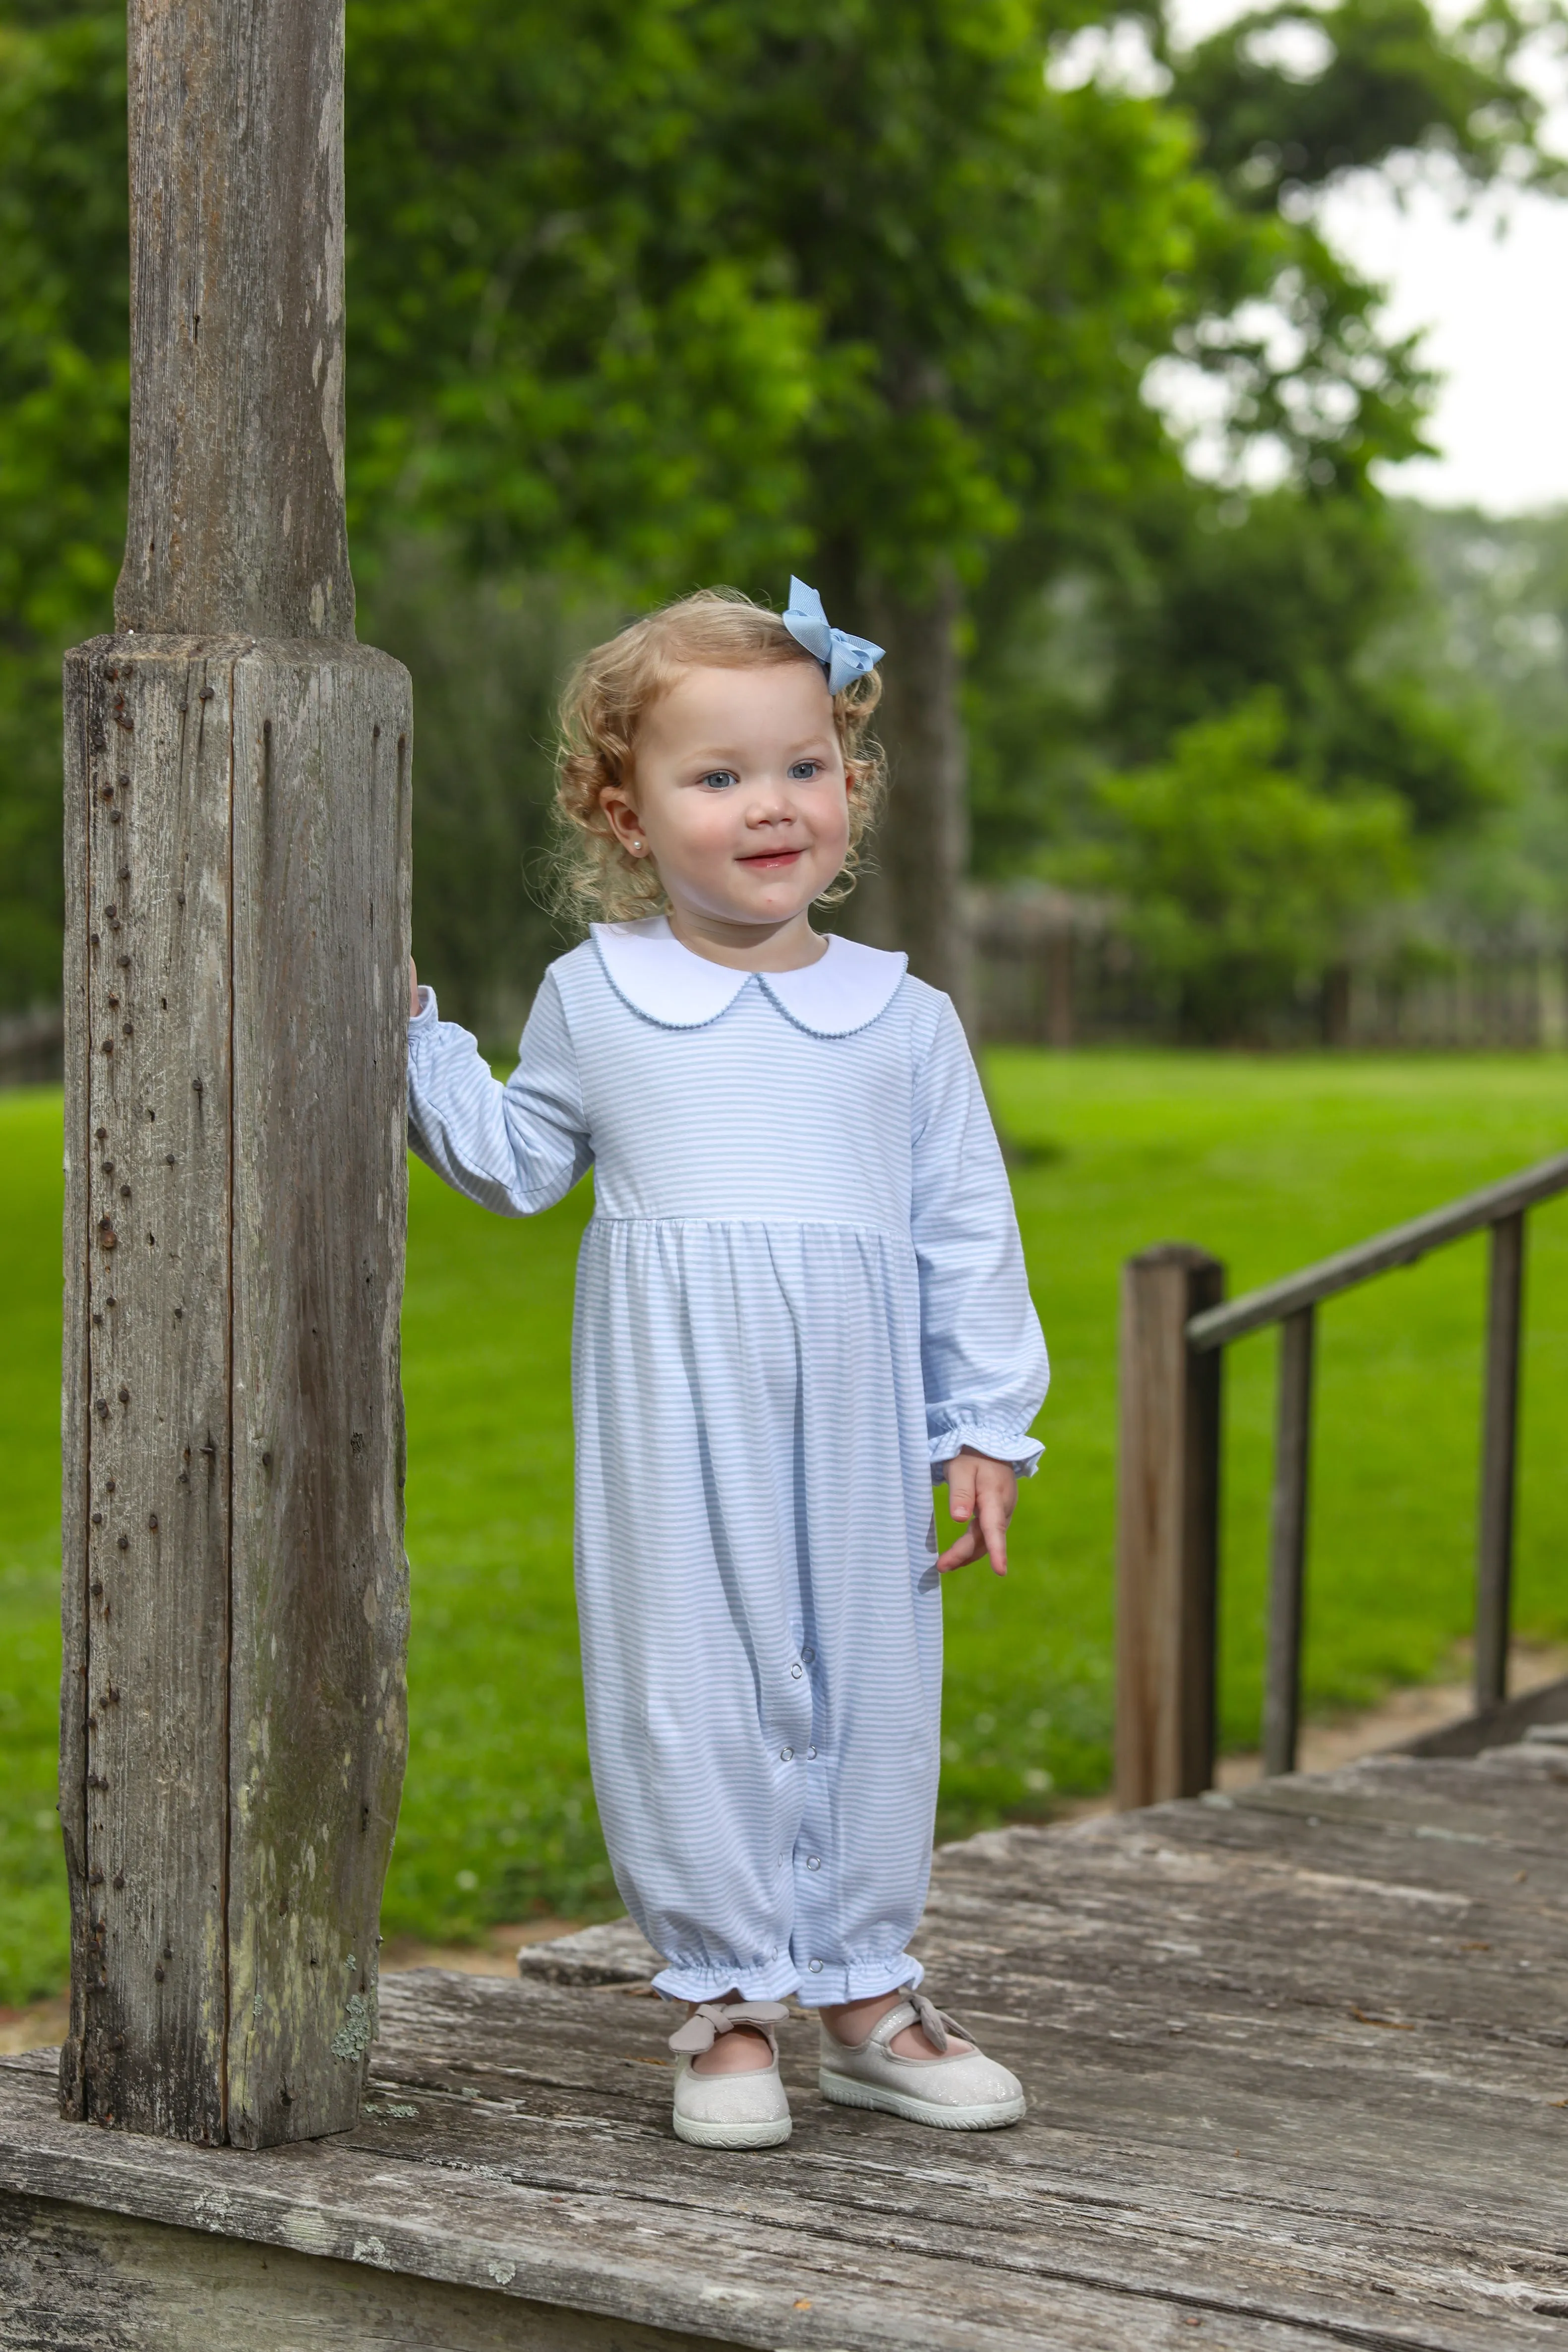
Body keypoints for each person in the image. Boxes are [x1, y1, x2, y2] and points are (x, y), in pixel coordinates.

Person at [406, 580, 1049, 2149]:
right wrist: (412, 1038)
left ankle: (864, 1994)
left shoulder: (903, 1018)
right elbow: (515, 1162)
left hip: (858, 1415)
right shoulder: (599, 997)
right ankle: (725, 2003)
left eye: (807, 765)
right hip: (671, 1416)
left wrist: (983, 1426)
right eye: (720, 776)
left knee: (872, 1689)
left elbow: (966, 1229)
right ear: (621, 813)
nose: (774, 804)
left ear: (853, 785)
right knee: (692, 1686)